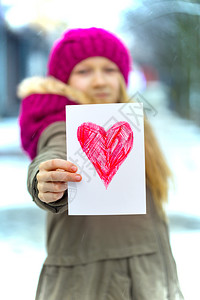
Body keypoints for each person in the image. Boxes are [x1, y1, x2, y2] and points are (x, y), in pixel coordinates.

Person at [18, 27, 184, 300]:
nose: (99, 81)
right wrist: (45, 179)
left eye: (109, 69)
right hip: (91, 285)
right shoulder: (61, 124)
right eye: (84, 71)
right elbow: (52, 151)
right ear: (63, 80)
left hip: (146, 273)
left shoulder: (128, 122)